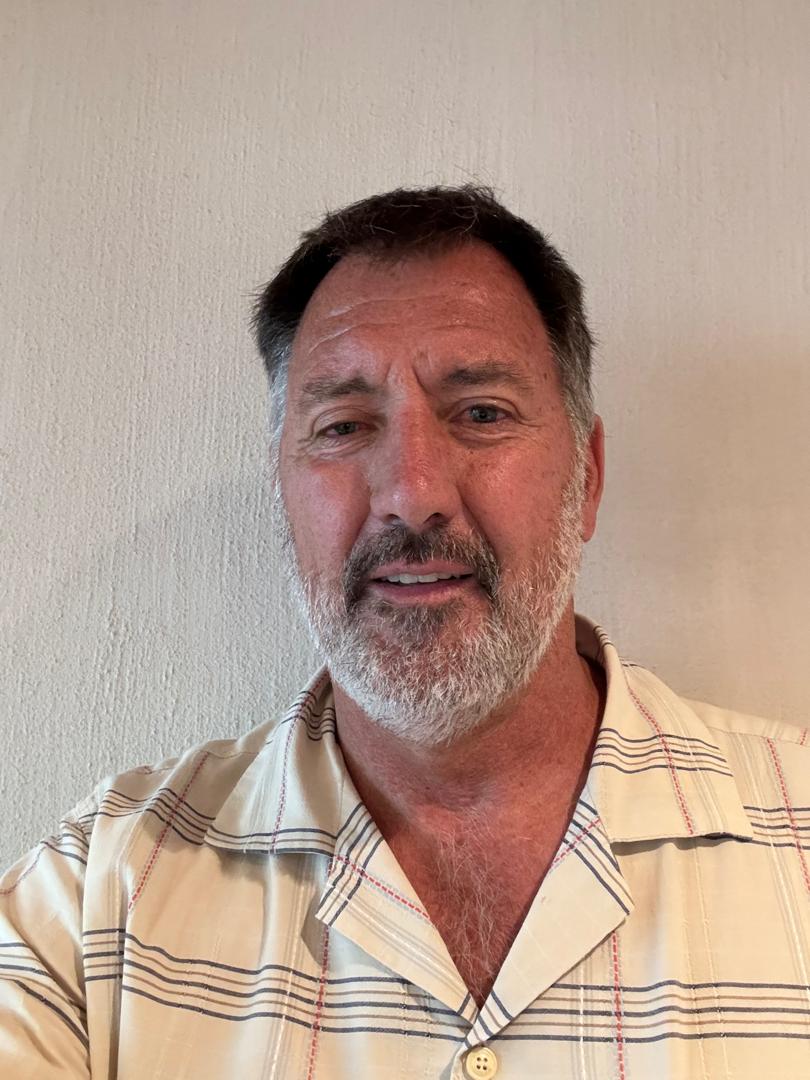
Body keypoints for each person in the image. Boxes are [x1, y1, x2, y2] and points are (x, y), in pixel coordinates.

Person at [1, 186, 808, 1079]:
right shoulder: (93, 903)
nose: (411, 490)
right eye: (344, 426)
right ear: (282, 493)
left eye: (482, 413)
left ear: (588, 476)